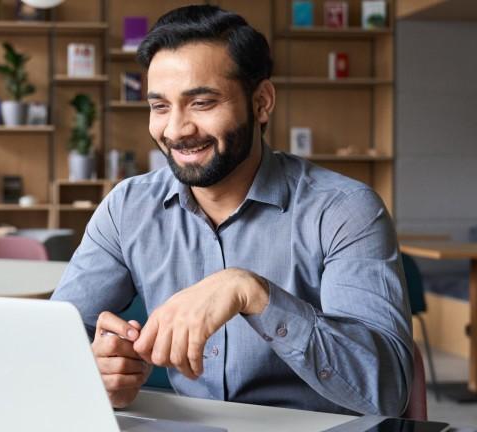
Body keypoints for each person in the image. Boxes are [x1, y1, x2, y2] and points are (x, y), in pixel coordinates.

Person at [50, 5, 413, 417]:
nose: (176, 130)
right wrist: (94, 369)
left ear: (261, 103)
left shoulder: (345, 210)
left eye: (201, 103)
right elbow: (54, 342)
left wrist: (252, 292)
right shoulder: (128, 208)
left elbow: (386, 391)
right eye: (160, 106)